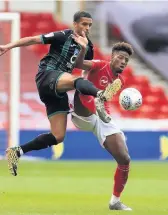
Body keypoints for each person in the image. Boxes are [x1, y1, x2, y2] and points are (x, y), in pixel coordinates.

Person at [1, 11, 115, 176]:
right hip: (48, 75)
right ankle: (101, 95)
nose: (87, 28)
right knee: (75, 81)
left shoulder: (88, 45)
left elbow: (81, 64)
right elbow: (34, 39)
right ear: (75, 24)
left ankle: (16, 151)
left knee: (58, 136)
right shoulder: (63, 35)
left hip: (57, 89)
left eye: (89, 25)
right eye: (84, 24)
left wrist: (83, 48)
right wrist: (8, 46)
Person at [71, 41, 134, 210]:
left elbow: (107, 100)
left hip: (102, 117)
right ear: (112, 57)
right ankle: (94, 106)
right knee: (82, 87)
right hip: (84, 111)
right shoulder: (99, 65)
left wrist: (105, 115)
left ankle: (115, 201)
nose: (123, 62)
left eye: (126, 60)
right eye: (120, 57)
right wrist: (83, 48)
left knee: (125, 159)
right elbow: (78, 64)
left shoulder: (119, 81)